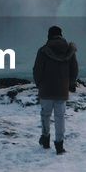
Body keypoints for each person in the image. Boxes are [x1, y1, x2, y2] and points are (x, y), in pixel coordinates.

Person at [32, 25, 78, 154]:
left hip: (46, 90)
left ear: (49, 36)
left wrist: (39, 84)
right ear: (61, 35)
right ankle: (59, 145)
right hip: (62, 90)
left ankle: (45, 139)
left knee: (45, 115)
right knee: (60, 117)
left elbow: (37, 70)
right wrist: (71, 83)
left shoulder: (43, 51)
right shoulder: (69, 50)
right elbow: (74, 69)